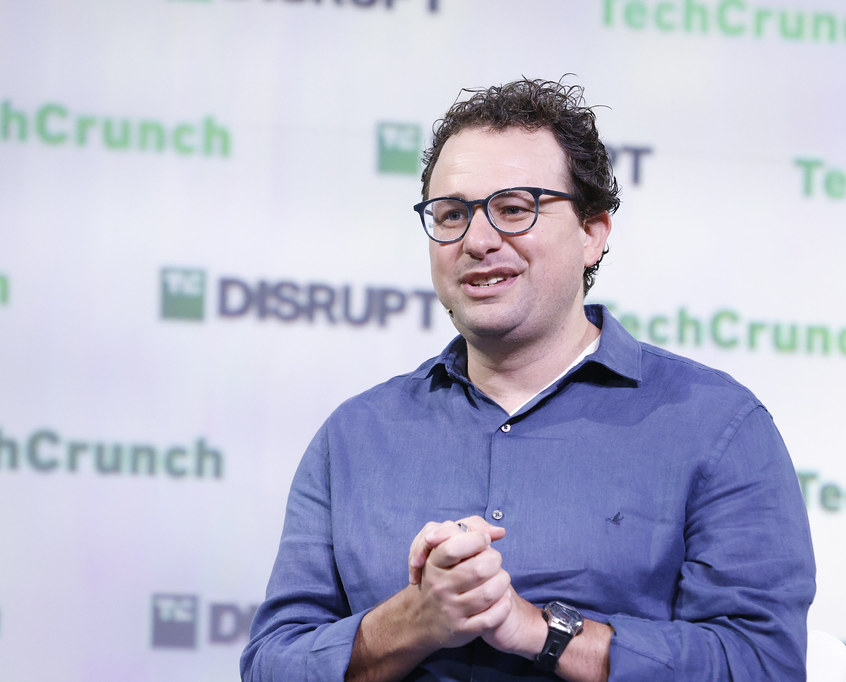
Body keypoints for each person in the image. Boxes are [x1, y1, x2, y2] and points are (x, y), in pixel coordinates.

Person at [241, 78, 815, 681]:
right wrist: (413, 621)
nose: (478, 241)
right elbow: (270, 667)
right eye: (452, 214)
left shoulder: (715, 425)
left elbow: (762, 664)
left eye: (514, 209)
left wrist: (539, 630)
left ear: (592, 233)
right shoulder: (355, 437)